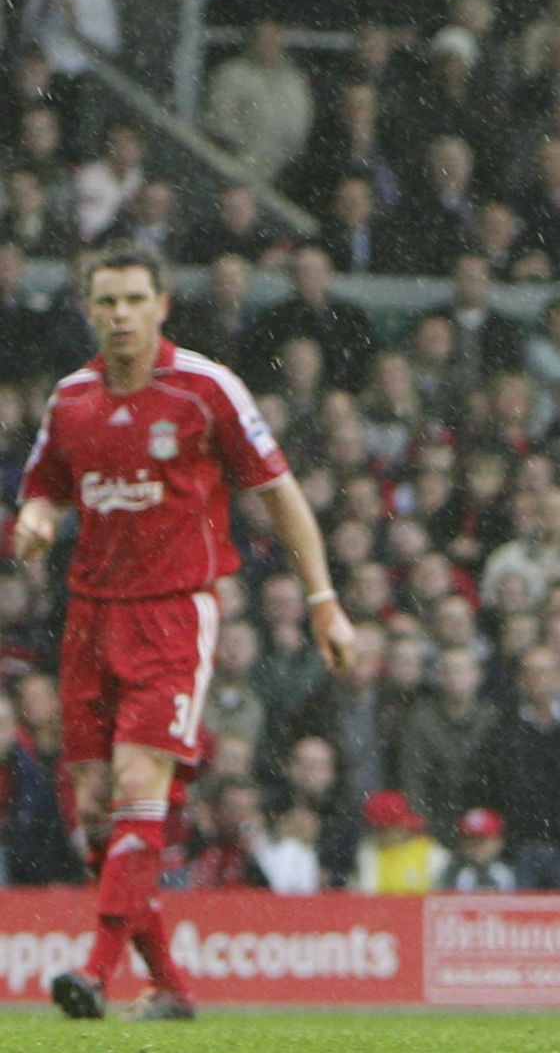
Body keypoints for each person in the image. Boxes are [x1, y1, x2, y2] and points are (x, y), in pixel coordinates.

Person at [13, 246, 355, 1022]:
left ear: (162, 305)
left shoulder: (205, 390)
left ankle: (95, 972)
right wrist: (35, 521)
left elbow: (281, 494)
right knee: (96, 808)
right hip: (89, 615)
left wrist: (324, 599)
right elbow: (44, 488)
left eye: (135, 299)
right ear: (89, 308)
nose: (121, 314)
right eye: (107, 301)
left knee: (141, 787)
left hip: (173, 611)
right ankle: (169, 985)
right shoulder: (69, 401)